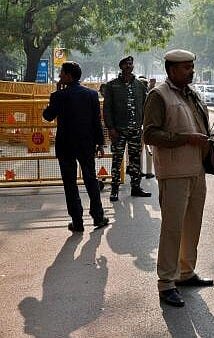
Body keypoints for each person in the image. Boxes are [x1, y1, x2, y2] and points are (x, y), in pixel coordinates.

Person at [143, 49, 214, 307]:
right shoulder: (158, 96)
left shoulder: (193, 94)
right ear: (171, 70)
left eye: (192, 66)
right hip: (174, 172)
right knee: (172, 229)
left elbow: (197, 127)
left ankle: (186, 272)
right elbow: (150, 135)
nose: (191, 71)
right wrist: (186, 139)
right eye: (186, 67)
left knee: (192, 225)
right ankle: (166, 282)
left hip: (196, 170)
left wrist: (211, 137)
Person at [42, 61, 109, 233]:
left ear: (69, 76)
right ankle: (98, 217)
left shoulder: (58, 96)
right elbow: (96, 122)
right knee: (91, 179)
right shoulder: (92, 95)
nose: (59, 76)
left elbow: (48, 116)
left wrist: (56, 94)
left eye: (62, 73)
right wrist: (100, 143)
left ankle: (77, 221)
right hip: (86, 144)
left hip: (65, 145)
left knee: (69, 183)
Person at [103, 55, 152, 201]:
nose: (129, 66)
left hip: (135, 130)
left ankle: (136, 187)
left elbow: (146, 106)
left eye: (131, 64)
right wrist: (110, 128)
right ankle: (114, 189)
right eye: (126, 64)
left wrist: (144, 125)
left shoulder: (140, 85)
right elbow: (107, 109)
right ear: (121, 66)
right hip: (118, 130)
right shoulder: (112, 85)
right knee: (117, 160)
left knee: (135, 159)